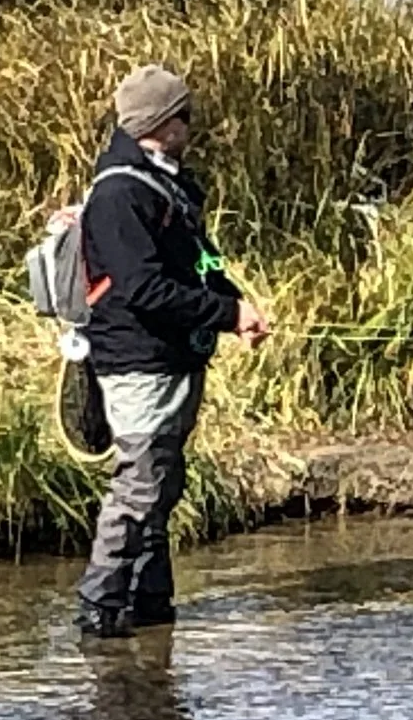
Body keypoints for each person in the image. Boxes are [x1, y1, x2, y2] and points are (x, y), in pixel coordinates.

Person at [75, 64, 268, 637]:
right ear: (164, 123)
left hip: (176, 354)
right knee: (138, 484)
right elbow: (141, 288)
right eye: (184, 114)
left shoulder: (168, 184)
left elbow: (200, 262)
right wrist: (227, 315)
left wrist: (237, 304)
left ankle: (150, 601)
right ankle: (99, 606)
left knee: (163, 477)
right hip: (137, 358)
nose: (192, 123)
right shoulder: (118, 195)